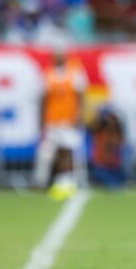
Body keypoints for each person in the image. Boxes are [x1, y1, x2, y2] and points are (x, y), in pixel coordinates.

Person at [33, 51, 87, 201]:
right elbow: (43, 99)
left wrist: (79, 115)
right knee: (47, 153)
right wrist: (41, 121)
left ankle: (71, 182)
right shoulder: (48, 75)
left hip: (68, 121)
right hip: (52, 121)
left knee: (70, 152)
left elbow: (80, 96)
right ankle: (42, 182)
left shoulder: (74, 72)